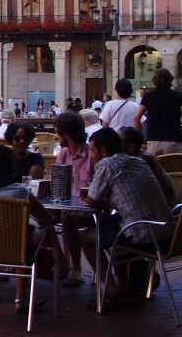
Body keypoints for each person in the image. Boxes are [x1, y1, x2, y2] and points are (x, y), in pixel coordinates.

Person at [70, 128, 176, 309]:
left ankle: (111, 290)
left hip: (145, 235)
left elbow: (93, 201)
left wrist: (91, 199)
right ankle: (124, 287)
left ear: (103, 151)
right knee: (111, 230)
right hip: (169, 234)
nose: (91, 155)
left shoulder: (107, 164)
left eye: (93, 150)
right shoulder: (138, 162)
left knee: (87, 237)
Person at [0, 144, 61, 312]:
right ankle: (20, 296)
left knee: (20, 236)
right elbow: (46, 218)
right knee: (25, 235)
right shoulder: (20, 192)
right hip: (17, 249)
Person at [53, 111, 95, 287]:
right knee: (43, 218)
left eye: (57, 132)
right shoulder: (63, 154)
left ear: (66, 134)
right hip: (66, 205)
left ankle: (76, 270)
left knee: (68, 217)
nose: (55, 136)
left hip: (90, 209)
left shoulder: (91, 156)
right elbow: (56, 183)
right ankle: (62, 263)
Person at [118, 126, 177, 205]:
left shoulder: (141, 162)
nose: (114, 145)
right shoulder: (137, 157)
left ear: (131, 147)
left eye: (118, 142)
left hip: (161, 209)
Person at [134, 67, 182, 155]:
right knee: (174, 168)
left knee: (153, 168)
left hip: (153, 140)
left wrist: (141, 138)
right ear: (170, 80)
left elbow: (136, 118)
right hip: (174, 140)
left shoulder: (148, 96)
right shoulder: (177, 96)